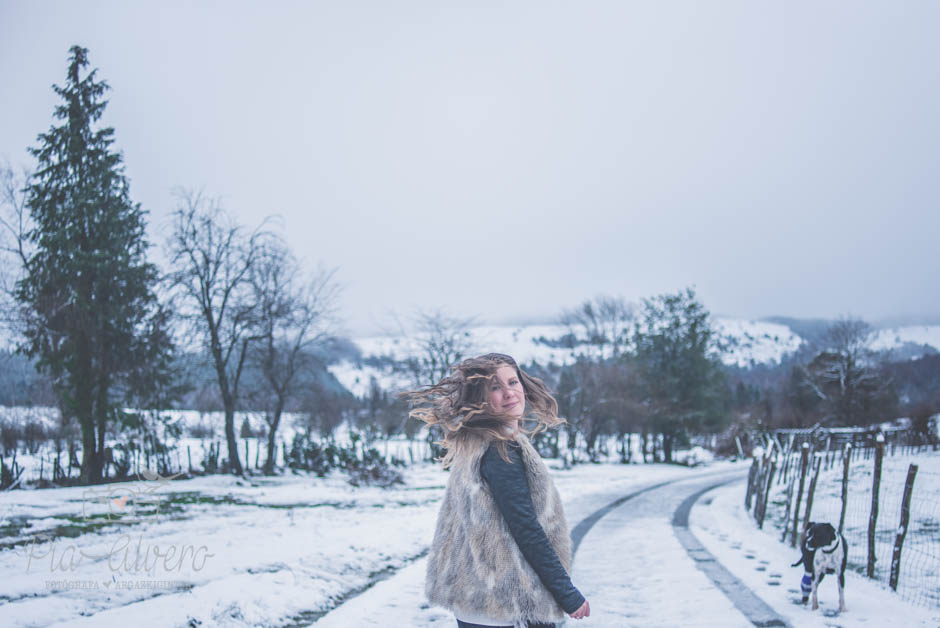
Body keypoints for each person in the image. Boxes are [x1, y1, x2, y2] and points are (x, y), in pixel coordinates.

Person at [404, 353, 591, 628]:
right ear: (479, 398)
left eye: (513, 382)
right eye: (494, 387)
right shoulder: (501, 450)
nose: (509, 393)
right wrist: (566, 593)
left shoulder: (477, 444)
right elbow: (526, 528)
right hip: (505, 604)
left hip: (479, 600)